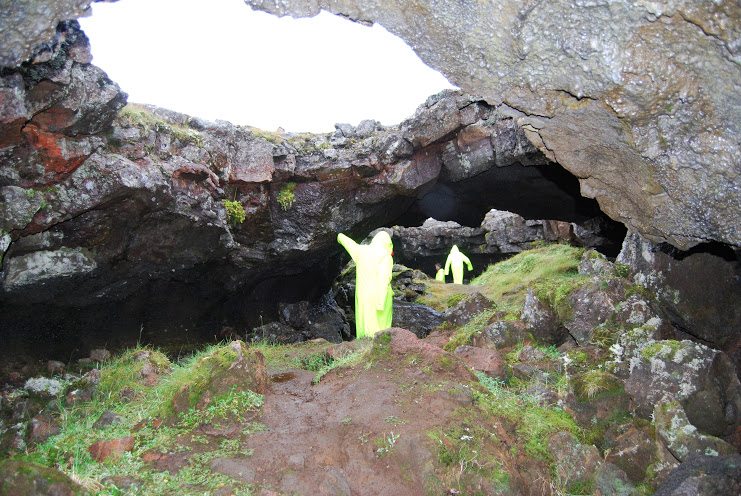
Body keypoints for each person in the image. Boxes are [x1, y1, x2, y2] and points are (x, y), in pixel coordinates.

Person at [337, 231, 394, 338]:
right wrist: (381, 301)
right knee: (381, 323)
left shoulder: (362, 251)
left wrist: (339, 236)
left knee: (364, 318)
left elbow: (350, 244)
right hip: (379, 294)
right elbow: (385, 278)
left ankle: (363, 342)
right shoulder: (385, 257)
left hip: (363, 294)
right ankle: (379, 345)